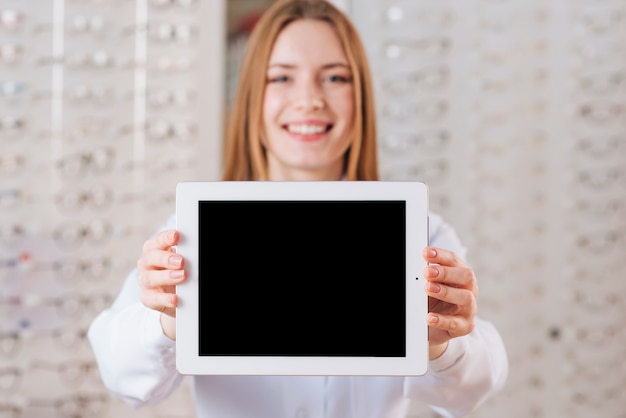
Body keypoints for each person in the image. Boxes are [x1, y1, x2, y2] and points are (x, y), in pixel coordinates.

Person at [88, 0, 508, 417]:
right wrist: (168, 320)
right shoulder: (194, 231)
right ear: (253, 96)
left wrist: (440, 342)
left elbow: (472, 389)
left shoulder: (420, 234)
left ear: (360, 96)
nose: (309, 100)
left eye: (335, 77)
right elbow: (123, 375)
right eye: (282, 77)